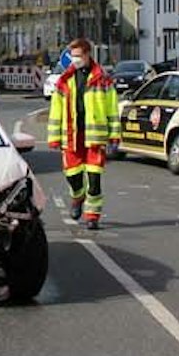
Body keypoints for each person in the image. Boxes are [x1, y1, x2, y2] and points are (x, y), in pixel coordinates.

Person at [46, 37, 120, 230]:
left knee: (94, 181)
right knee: (73, 176)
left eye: (78, 55)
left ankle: (92, 216)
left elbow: (112, 108)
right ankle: (77, 197)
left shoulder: (102, 78)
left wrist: (114, 135)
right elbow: (56, 110)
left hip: (95, 137)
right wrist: (54, 137)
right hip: (72, 136)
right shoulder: (65, 80)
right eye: (73, 56)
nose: (75, 59)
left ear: (88, 55)